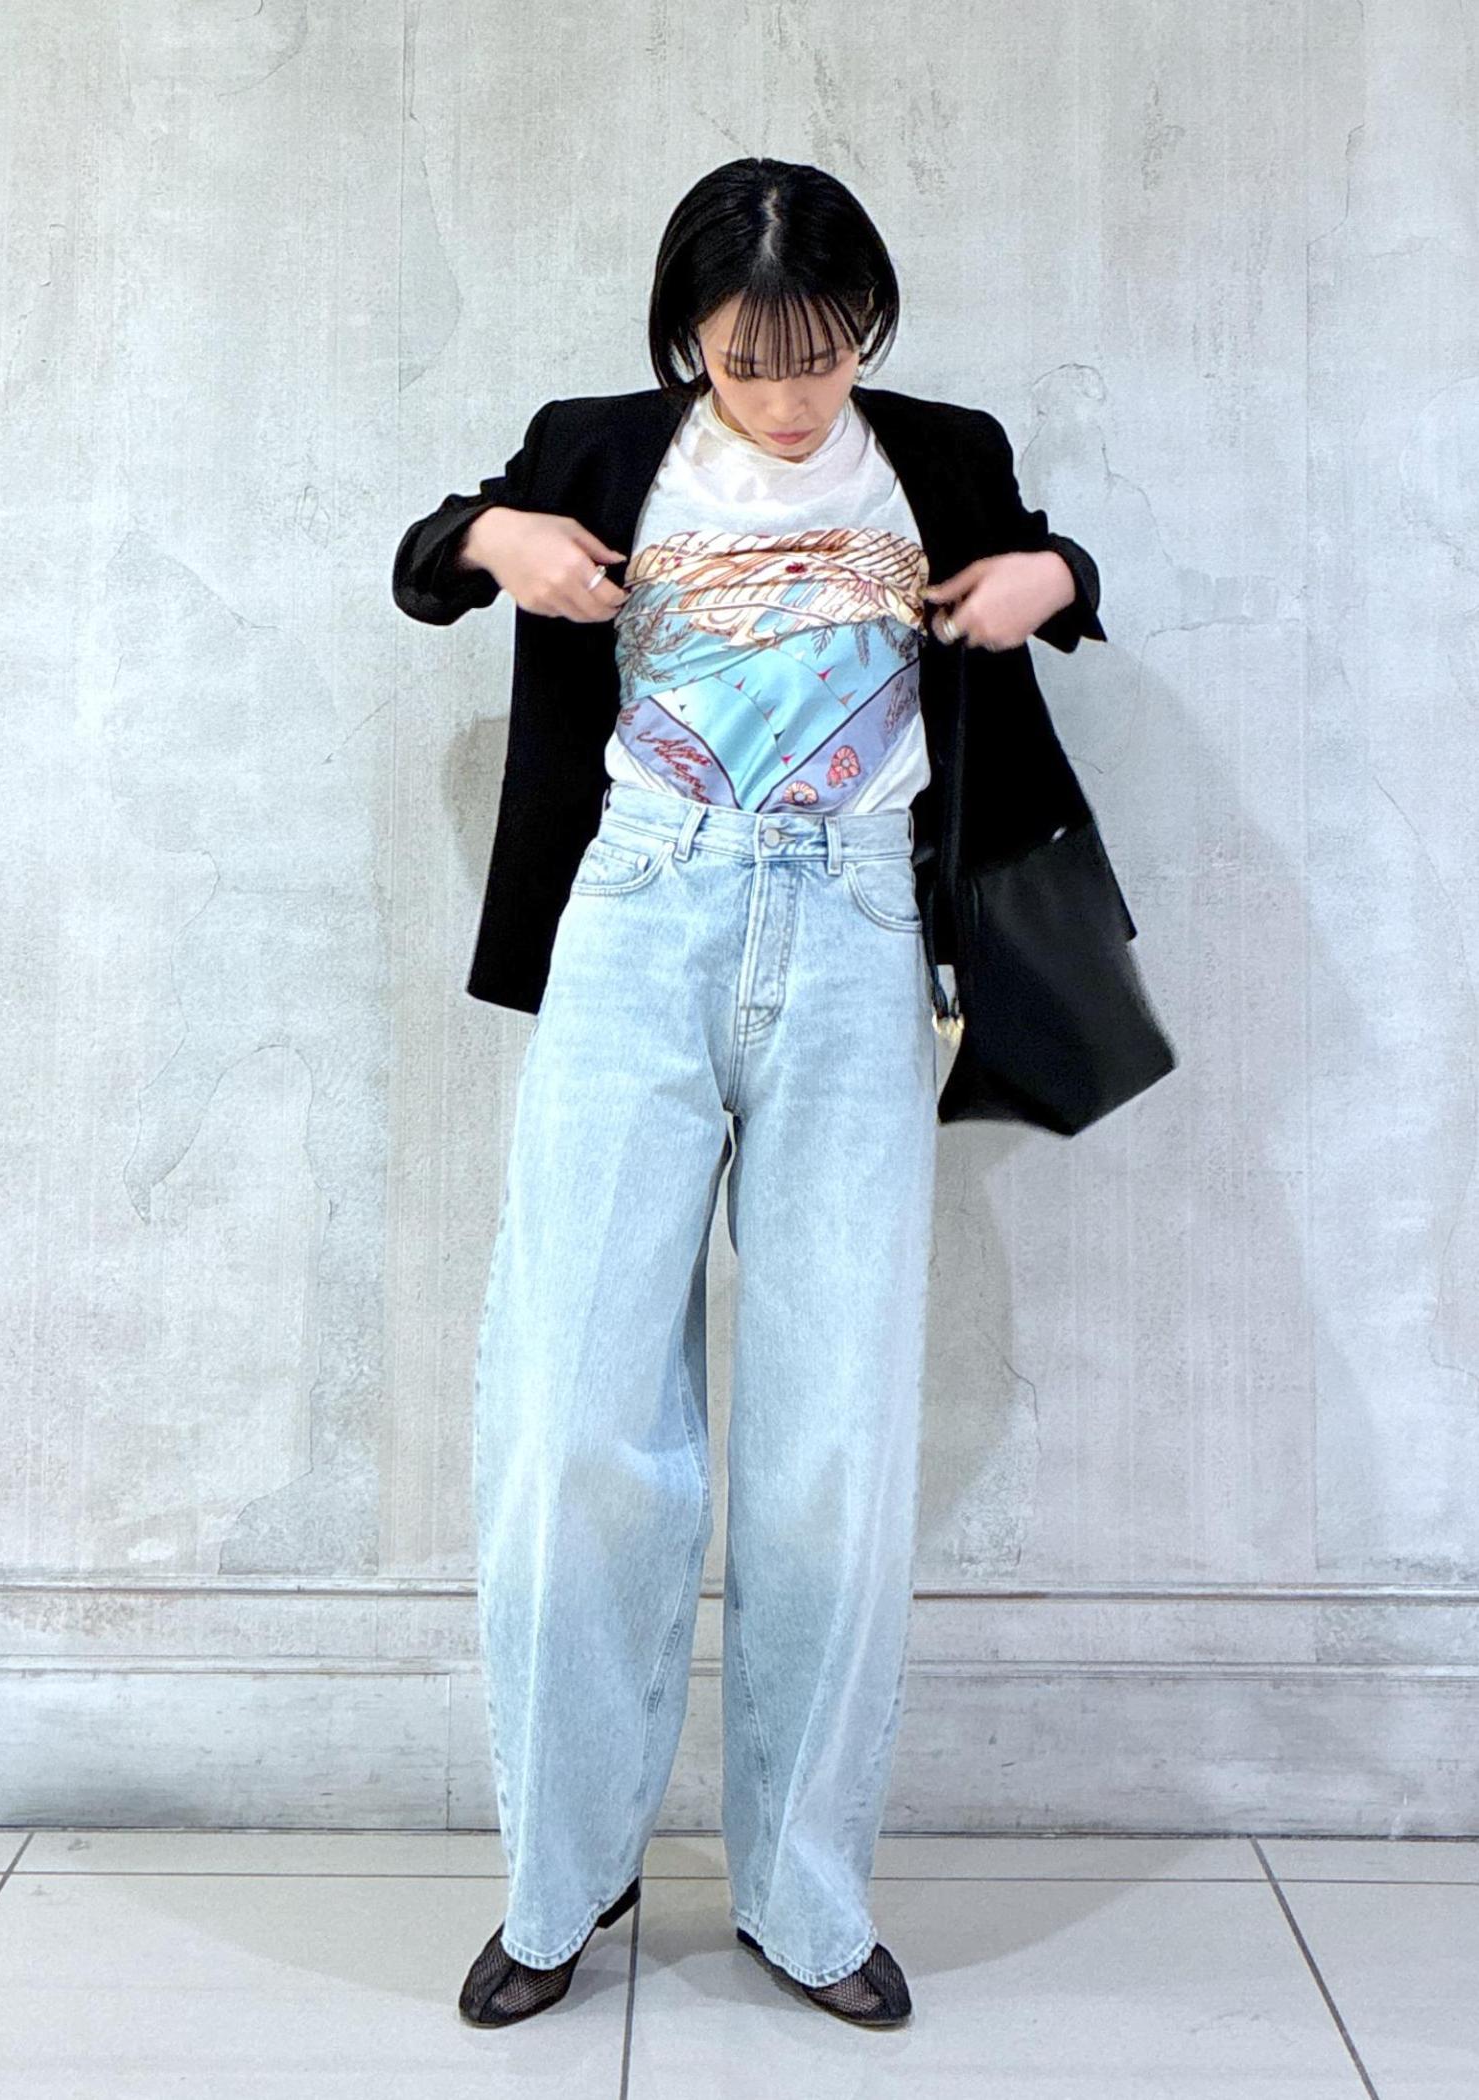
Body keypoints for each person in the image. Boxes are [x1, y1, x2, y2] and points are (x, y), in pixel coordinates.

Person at [393, 156, 1103, 2032]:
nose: (789, 394)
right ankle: (564, 1875)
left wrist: (1051, 578)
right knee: (572, 1417)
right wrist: (497, 540)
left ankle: (803, 1893)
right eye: (746, 356)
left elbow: (1050, 566)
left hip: (862, 934)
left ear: (868, 329)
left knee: (832, 1440)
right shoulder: (600, 444)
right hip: (642, 914)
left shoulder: (936, 451)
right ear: (686, 337)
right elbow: (427, 554)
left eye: (823, 352)